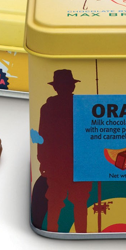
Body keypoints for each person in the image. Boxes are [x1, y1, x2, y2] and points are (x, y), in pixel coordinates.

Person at [38, 69, 92, 233]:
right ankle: (77, 233)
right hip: (73, 164)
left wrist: (43, 161)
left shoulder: (49, 108)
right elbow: (44, 136)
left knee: (60, 202)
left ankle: (55, 231)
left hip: (63, 164)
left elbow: (42, 137)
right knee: (74, 202)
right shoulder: (82, 106)